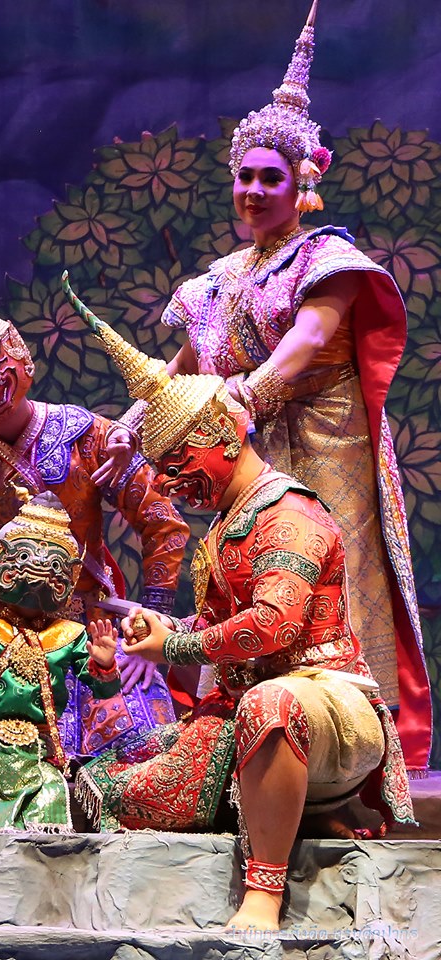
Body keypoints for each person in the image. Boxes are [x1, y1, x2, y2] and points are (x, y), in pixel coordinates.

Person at [112, 0, 431, 775]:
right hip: (245, 457)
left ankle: (361, 757)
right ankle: (239, 740)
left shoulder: (327, 259)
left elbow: (309, 341)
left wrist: (244, 397)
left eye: (270, 178)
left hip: (326, 448)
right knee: (244, 581)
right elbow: (184, 366)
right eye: (245, 177)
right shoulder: (217, 280)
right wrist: (127, 423)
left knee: (327, 584)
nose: (254, 190)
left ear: (301, 184)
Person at [60, 273, 416, 932]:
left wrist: (174, 644)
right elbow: (219, 626)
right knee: (111, 774)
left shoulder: (287, 514)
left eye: (176, 462)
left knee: (267, 704)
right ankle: (289, 817)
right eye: (161, 469)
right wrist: (162, 626)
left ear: (223, 435)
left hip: (324, 703)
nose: (170, 483)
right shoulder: (228, 523)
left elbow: (273, 626)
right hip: (245, 706)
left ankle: (265, 891)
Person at [0, 307, 189, 759]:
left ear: (20, 356)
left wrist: (151, 630)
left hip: (86, 626)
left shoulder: (88, 436)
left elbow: (162, 521)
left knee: (141, 751)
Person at [0, 489, 120, 832]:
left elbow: (104, 691)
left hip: (38, 753)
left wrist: (104, 664)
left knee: (48, 805)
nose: (39, 571)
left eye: (54, 567)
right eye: (25, 560)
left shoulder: (69, 635)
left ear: (69, 580)